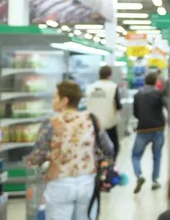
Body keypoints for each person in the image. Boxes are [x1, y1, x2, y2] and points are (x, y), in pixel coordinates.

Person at [30, 81, 114, 220]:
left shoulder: (51, 123)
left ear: (65, 100)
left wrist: (46, 160)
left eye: (55, 97)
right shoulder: (92, 120)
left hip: (59, 183)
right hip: (87, 182)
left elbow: (37, 156)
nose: (52, 101)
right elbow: (109, 148)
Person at [132, 72, 168, 193]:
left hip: (143, 128)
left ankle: (139, 175)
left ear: (145, 82)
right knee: (157, 155)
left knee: (136, 155)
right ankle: (155, 181)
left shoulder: (137, 94)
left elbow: (135, 113)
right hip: (158, 127)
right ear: (155, 82)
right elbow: (165, 106)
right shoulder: (158, 93)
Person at [86, 65, 123, 159]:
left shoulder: (90, 88)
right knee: (113, 146)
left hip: (92, 122)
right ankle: (110, 165)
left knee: (95, 146)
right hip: (108, 122)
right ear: (109, 75)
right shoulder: (113, 87)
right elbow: (118, 105)